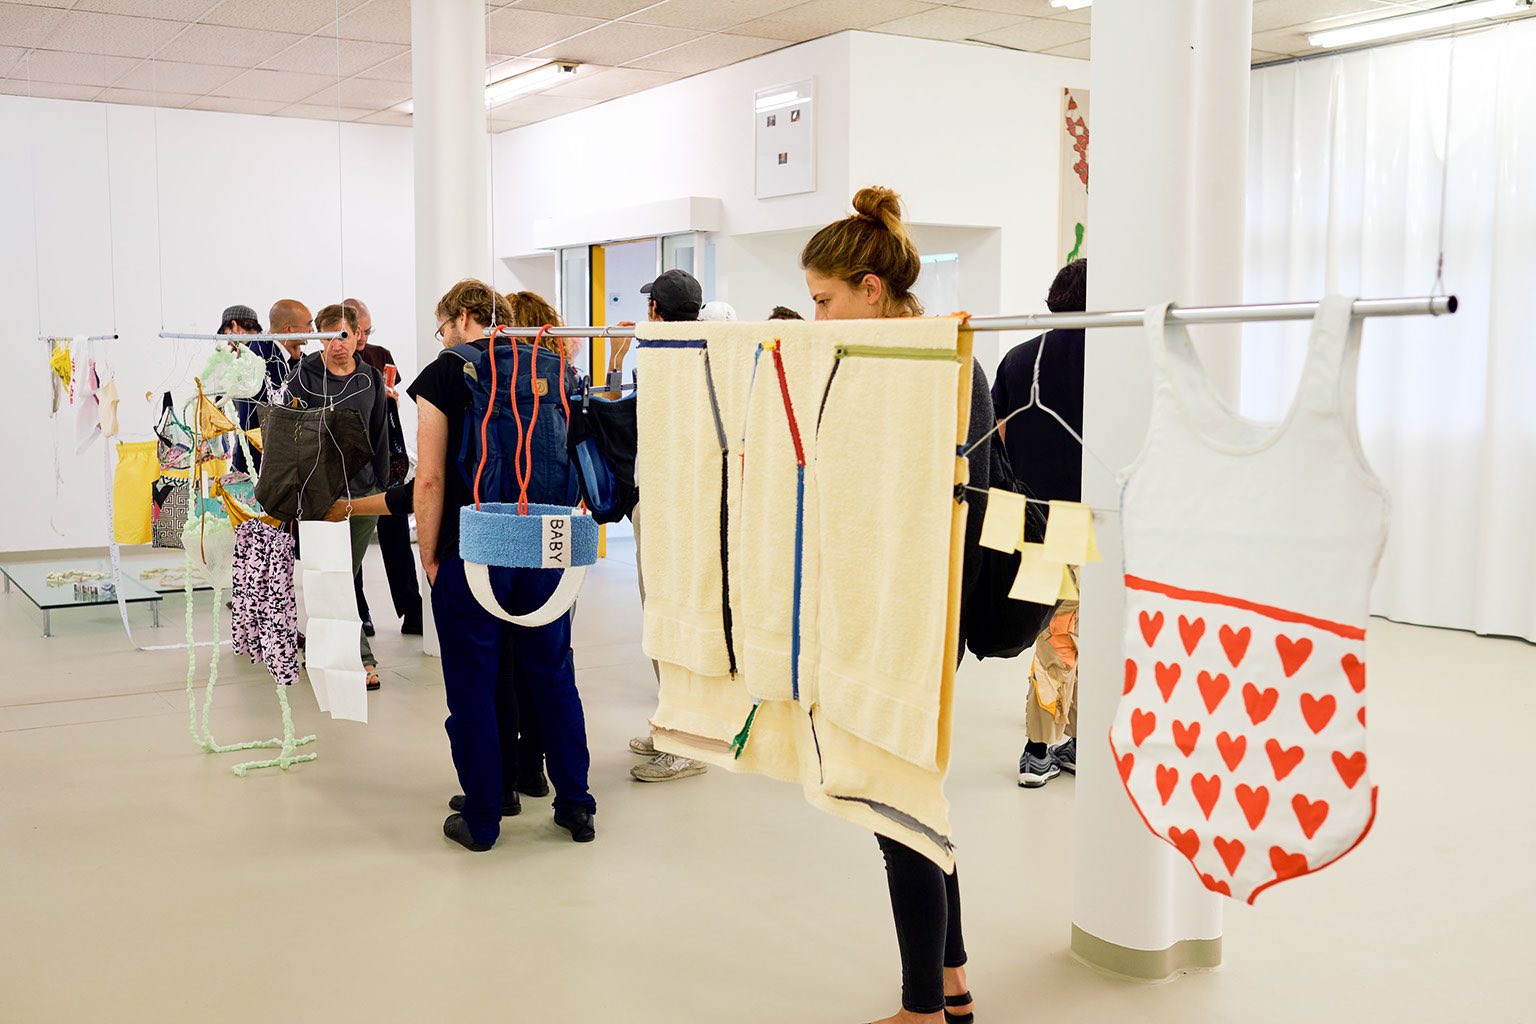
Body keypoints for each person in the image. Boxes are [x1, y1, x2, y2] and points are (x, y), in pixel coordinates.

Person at [802, 185, 989, 1024]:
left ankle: (920, 1010)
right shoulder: (920, 361)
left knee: (897, 805)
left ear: (871, 291)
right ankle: (951, 984)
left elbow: (947, 504)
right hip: (905, 607)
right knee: (917, 799)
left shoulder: (928, 366)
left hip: (909, 614)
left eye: (824, 301)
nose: (817, 318)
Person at [408, 279, 595, 851]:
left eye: (443, 327)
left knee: (474, 687)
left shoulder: (447, 371)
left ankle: (484, 817)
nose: (444, 337)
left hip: (475, 545)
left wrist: (429, 553)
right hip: (546, 545)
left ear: (464, 318)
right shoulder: (555, 368)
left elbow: (430, 478)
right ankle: (576, 805)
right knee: (554, 677)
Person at [614, 269, 712, 785]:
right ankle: (674, 725)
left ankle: (689, 742)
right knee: (664, 621)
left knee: (671, 622)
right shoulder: (699, 355)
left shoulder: (668, 360)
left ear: (655, 310)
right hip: (672, 505)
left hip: (674, 509)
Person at [992, 259, 1087, 788]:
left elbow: (997, 439)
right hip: (1084, 514)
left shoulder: (1018, 359)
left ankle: (1070, 739)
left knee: (1059, 631)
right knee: (1064, 635)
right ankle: (1038, 749)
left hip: (1026, 514)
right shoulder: (1111, 359)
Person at [286, 302, 389, 691]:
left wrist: (380, 485)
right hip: (319, 495)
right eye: (328, 337)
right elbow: (289, 436)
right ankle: (361, 659)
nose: (337, 344)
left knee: (342, 574)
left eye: (343, 335)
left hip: (363, 494)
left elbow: (379, 432)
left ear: (357, 336)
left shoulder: (369, 378)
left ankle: (329, 650)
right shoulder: (302, 377)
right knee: (337, 575)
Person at [343, 297, 424, 638]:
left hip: (387, 459)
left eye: (367, 330)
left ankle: (413, 611)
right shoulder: (337, 360)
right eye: (357, 331)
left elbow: (391, 408)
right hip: (352, 466)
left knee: (397, 538)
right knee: (353, 546)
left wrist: (389, 400)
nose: (362, 338)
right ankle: (359, 613)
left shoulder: (380, 355)